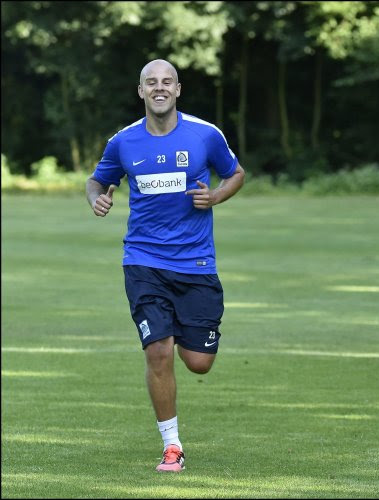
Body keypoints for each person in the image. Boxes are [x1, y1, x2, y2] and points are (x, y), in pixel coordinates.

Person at [86, 59, 245, 472]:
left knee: (199, 363)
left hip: (196, 264)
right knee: (158, 351)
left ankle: (182, 331)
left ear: (178, 89)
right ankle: (172, 446)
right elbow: (96, 181)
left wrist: (215, 197)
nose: (159, 88)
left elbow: (236, 174)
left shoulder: (205, 135)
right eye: (151, 83)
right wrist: (98, 198)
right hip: (143, 261)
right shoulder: (123, 142)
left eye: (166, 82)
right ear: (140, 91)